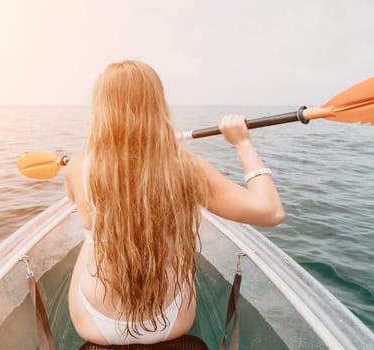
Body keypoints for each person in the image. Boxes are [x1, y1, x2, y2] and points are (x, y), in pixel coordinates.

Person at [65, 60, 284, 345]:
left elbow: (73, 199)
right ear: (156, 104)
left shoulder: (78, 167)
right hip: (169, 321)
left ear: (101, 109)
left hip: (94, 321)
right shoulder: (187, 168)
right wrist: (243, 144)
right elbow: (271, 212)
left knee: (92, 238)